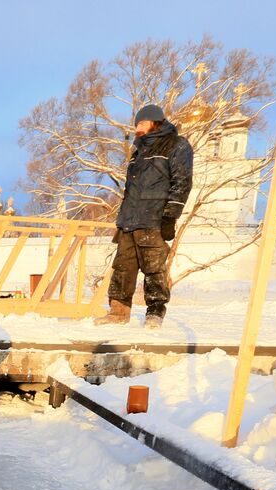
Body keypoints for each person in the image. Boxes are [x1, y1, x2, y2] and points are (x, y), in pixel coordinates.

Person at [97, 103, 193, 329]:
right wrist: (122, 219)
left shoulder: (176, 145)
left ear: (154, 122)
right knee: (123, 268)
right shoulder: (138, 151)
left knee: (154, 269)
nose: (137, 128)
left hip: (154, 218)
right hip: (129, 220)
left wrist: (170, 216)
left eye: (140, 123)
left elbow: (182, 182)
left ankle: (155, 313)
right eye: (136, 125)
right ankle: (118, 313)